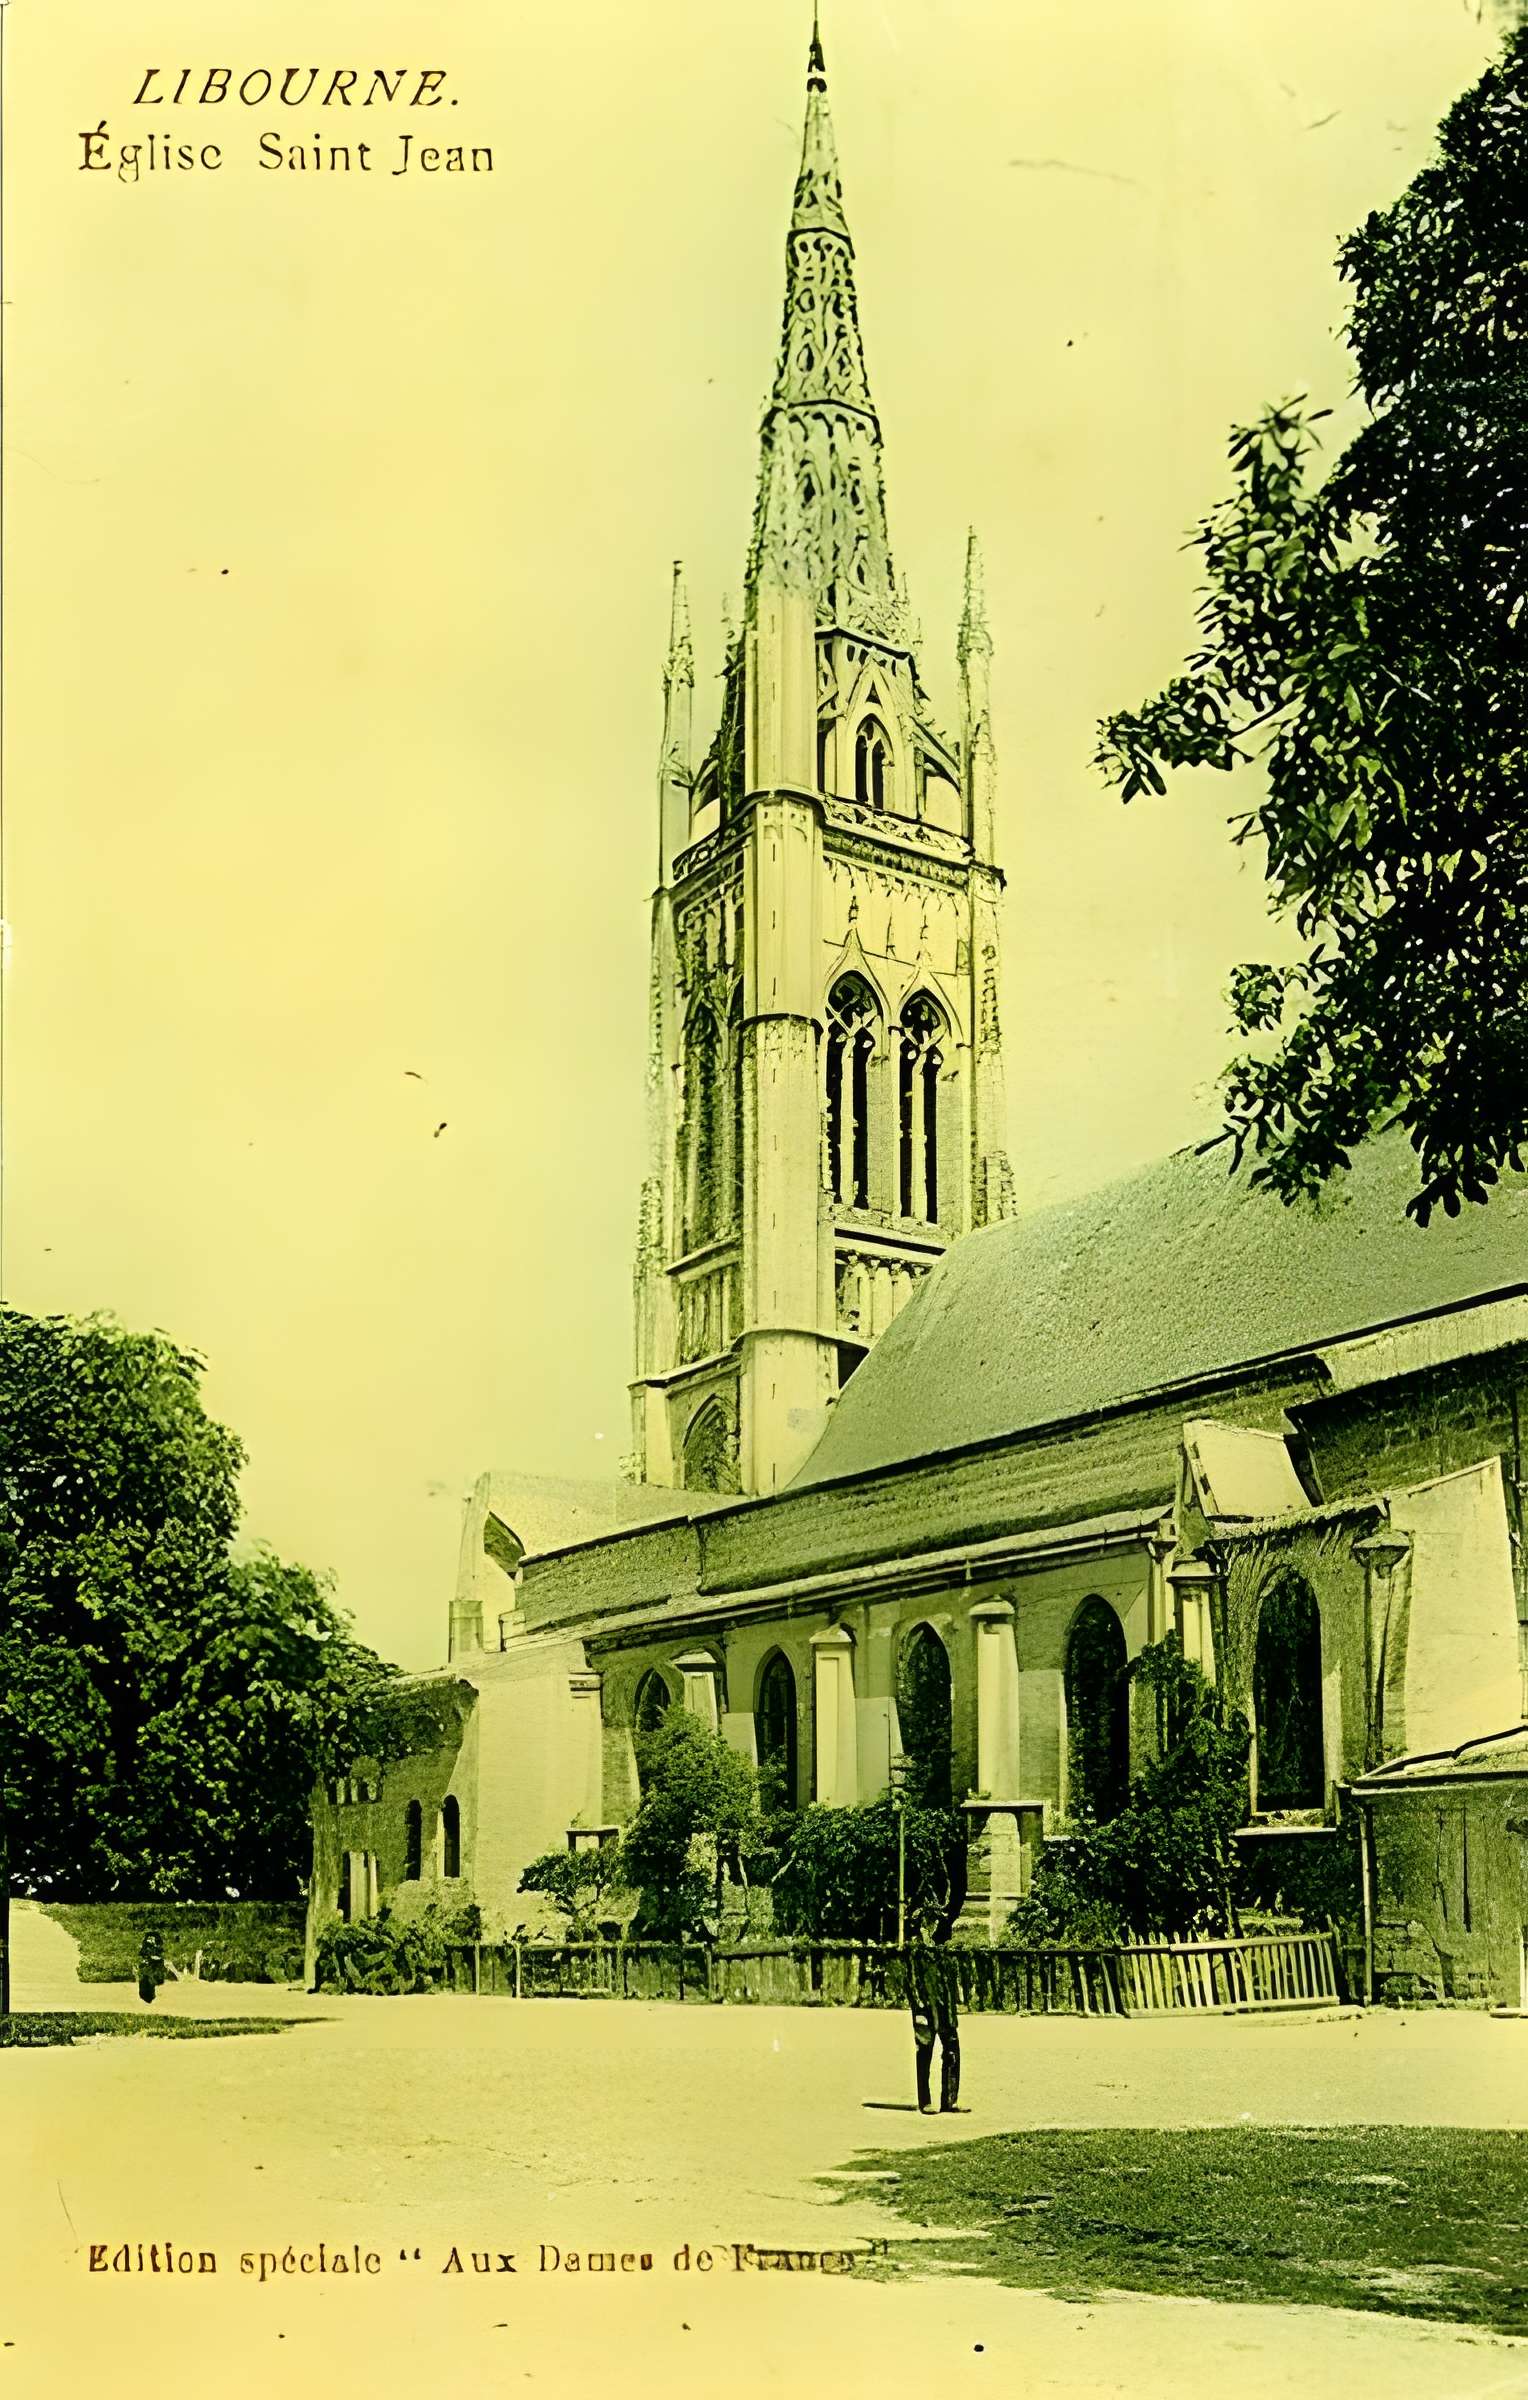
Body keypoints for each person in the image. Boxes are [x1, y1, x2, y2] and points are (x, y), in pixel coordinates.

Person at [906, 1931, 961, 2113]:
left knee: (952, 2051)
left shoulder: (944, 1956)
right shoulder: (916, 1955)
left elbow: (950, 1984)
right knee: (924, 2055)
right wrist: (919, 2009)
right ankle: (925, 2101)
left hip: (946, 2011)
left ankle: (950, 2100)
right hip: (926, 2012)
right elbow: (912, 1984)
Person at [137, 1927, 166, 2006]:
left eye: (152, 1938)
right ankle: (146, 1996)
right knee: (146, 1981)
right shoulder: (145, 1947)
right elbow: (142, 1955)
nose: (151, 1940)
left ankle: (150, 1996)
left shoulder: (158, 1947)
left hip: (155, 1966)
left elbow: (161, 1956)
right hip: (147, 1967)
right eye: (149, 1938)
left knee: (151, 1981)